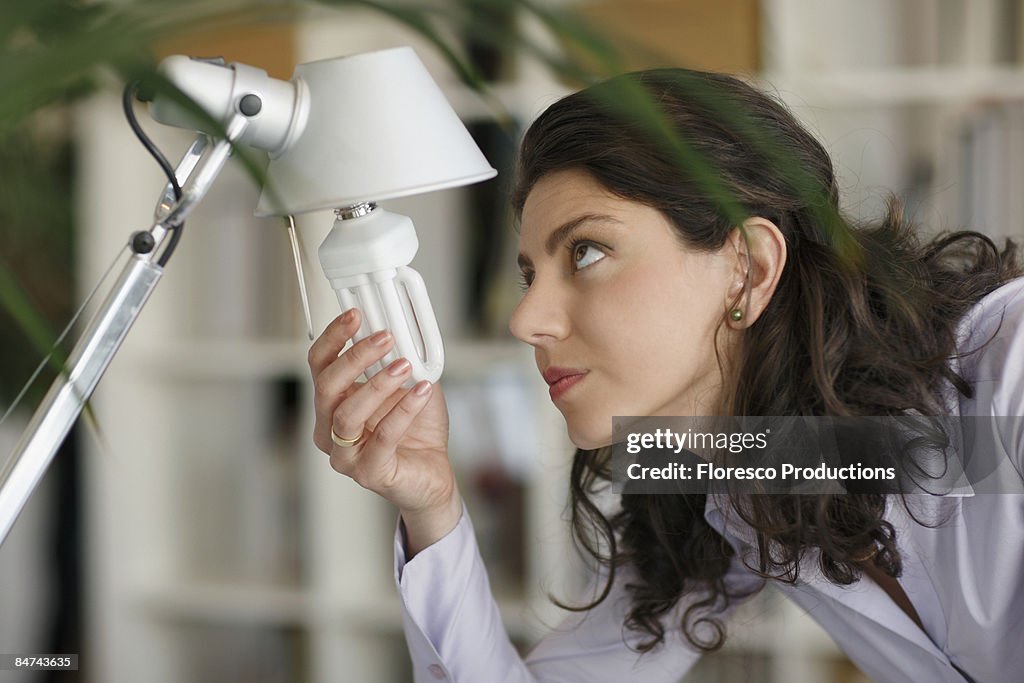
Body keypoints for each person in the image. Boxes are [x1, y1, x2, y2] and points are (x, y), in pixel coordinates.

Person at [306, 68, 1024, 682]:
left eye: (585, 252)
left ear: (750, 266)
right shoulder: (731, 461)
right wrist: (431, 508)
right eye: (530, 274)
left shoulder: (1009, 371)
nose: (526, 320)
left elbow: (949, 455)